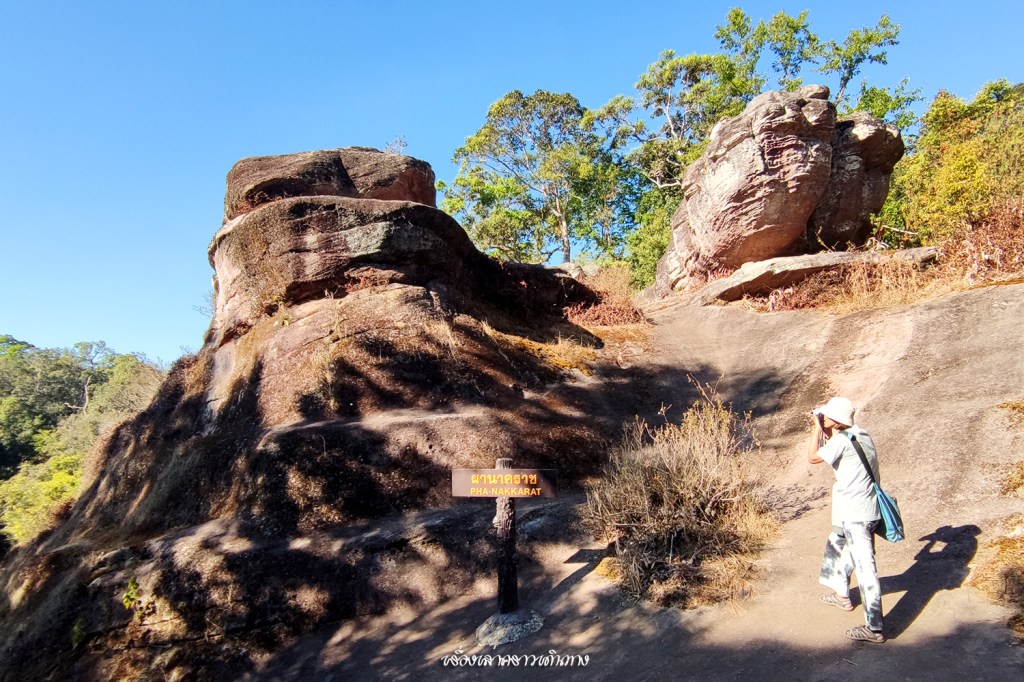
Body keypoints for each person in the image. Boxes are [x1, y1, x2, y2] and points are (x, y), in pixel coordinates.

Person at [807, 396, 885, 643]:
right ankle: (841, 595)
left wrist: (816, 428)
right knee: (839, 546)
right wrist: (825, 427)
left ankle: (874, 628)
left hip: (855, 514)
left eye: (826, 415)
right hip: (867, 510)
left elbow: (812, 457)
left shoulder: (841, 441)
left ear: (835, 420)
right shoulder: (861, 435)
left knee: (865, 568)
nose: (823, 418)